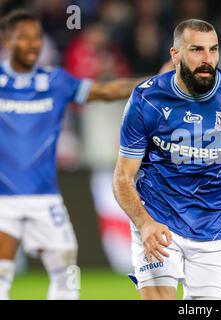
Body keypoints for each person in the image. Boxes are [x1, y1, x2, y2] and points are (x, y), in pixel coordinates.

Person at [113, 19, 221, 300]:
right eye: (197, 50)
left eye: (213, 50)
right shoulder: (146, 99)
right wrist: (144, 223)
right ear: (175, 55)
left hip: (214, 228)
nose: (207, 59)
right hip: (158, 222)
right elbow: (122, 177)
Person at [0, 9, 142, 300]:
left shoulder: (55, 81)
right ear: (6, 40)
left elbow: (106, 90)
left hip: (45, 198)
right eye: (24, 38)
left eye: (37, 38)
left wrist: (158, 83)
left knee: (67, 276)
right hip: (3, 200)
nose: (33, 44)